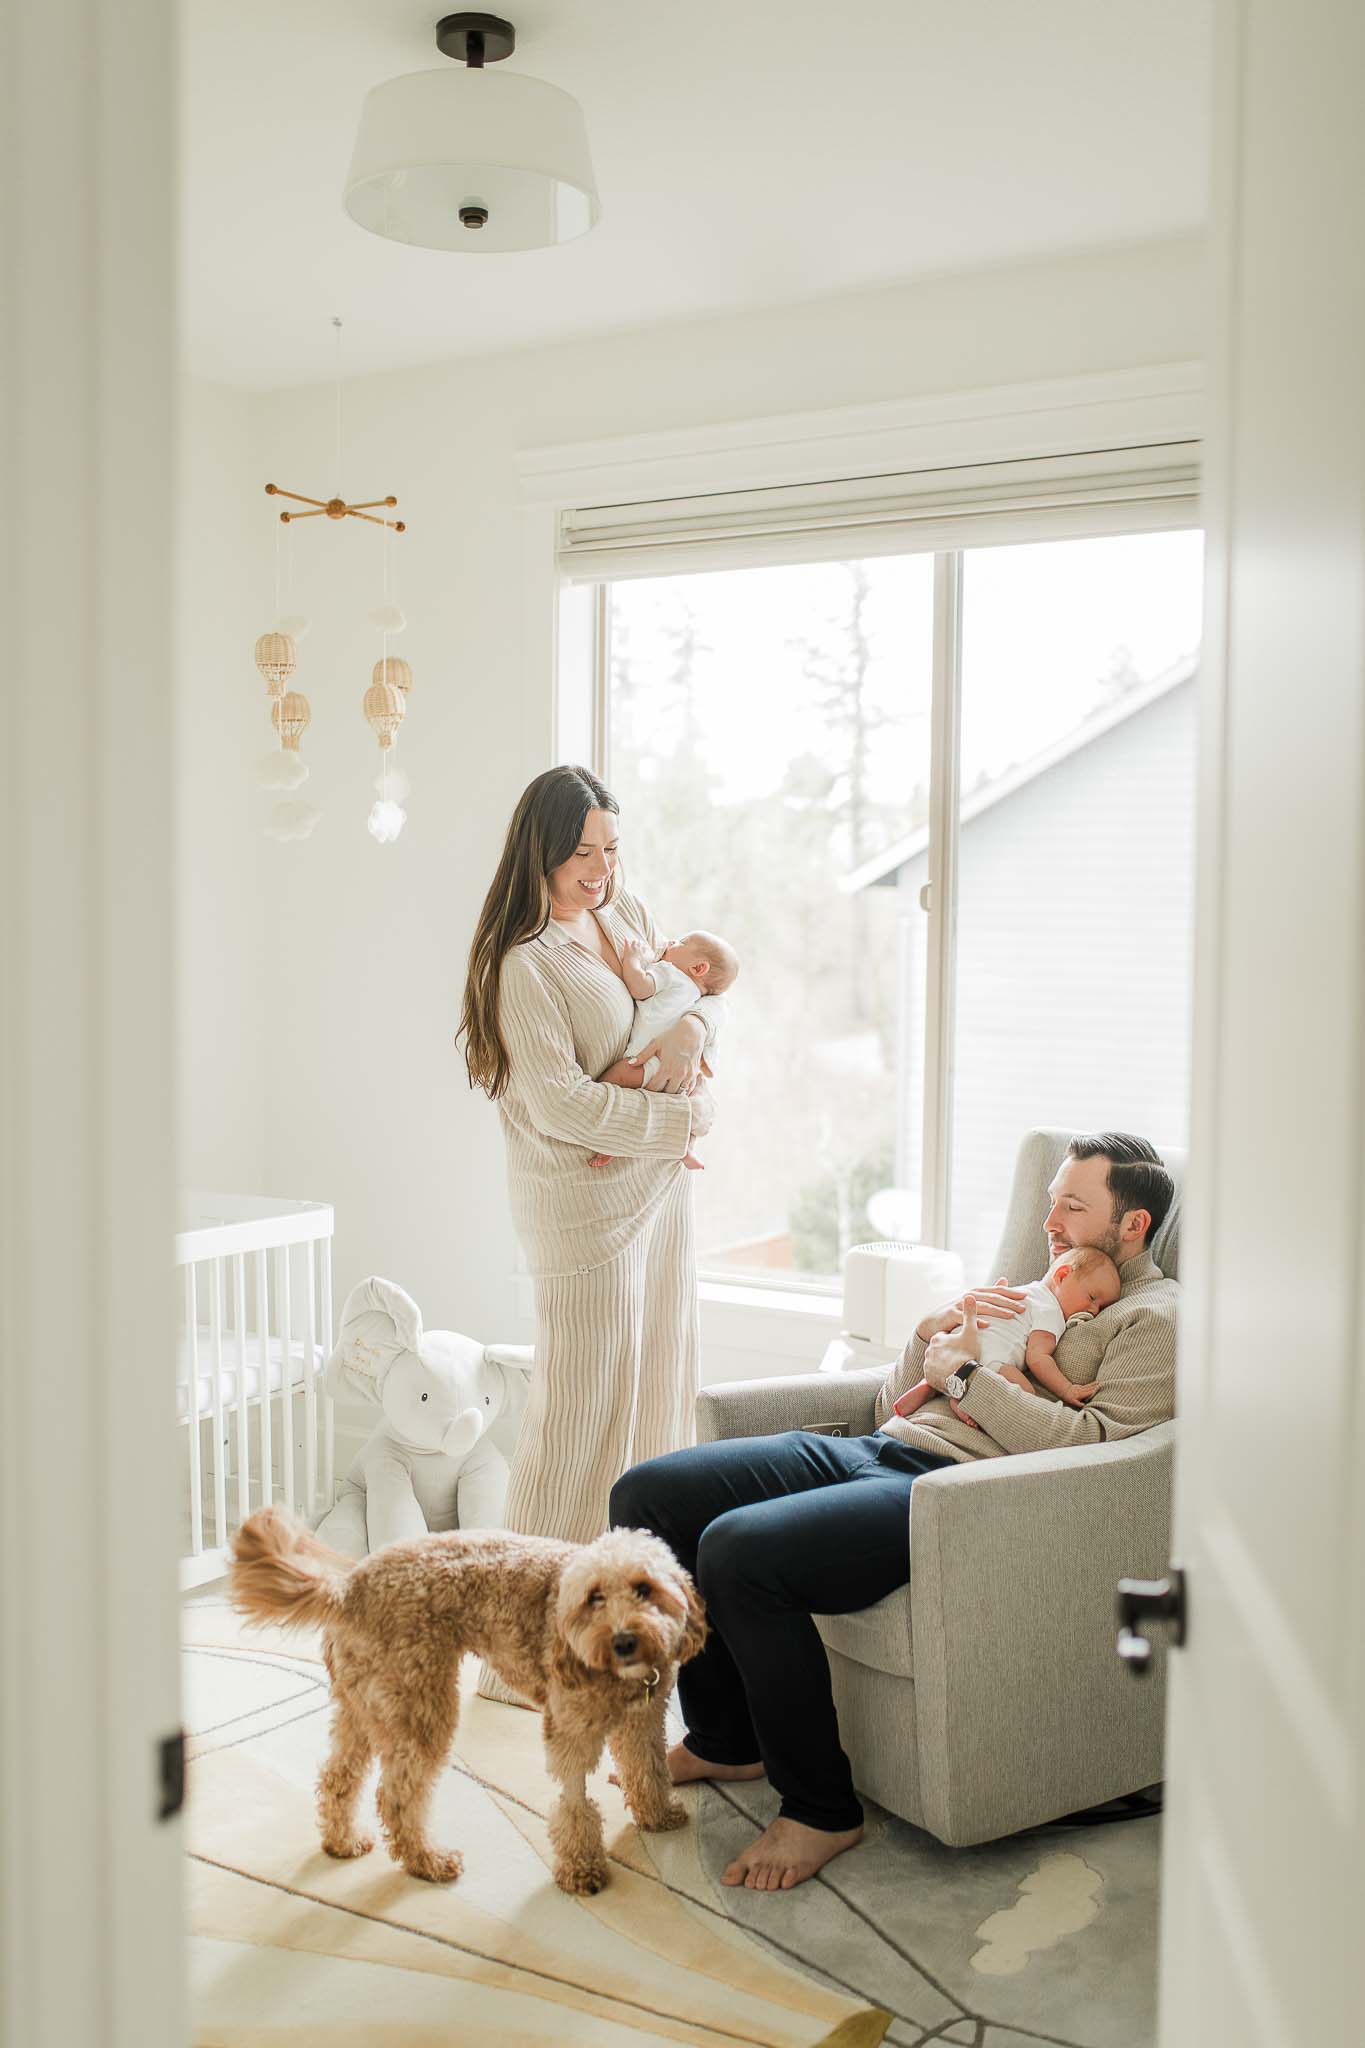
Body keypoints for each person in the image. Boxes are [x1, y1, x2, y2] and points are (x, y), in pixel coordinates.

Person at [608, 1132, 1178, 1891]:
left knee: (738, 1551)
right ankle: (725, 1738)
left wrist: (967, 1376)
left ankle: (820, 1810)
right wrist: (927, 1333)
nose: (1050, 1224)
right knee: (646, 1495)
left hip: (955, 1490)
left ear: (1132, 1224)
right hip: (882, 1448)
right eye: (1050, 1204)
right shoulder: (1031, 1289)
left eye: (1072, 1207)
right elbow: (890, 1403)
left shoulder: (1154, 1319)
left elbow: (1091, 1445)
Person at [458, 766, 725, 1702]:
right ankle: (520, 1653)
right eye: (582, 852)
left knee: (655, 1410)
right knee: (573, 1425)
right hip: (582, 1214)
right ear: (539, 849)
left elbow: (688, 1005)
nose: (601, 869)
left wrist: (692, 1043)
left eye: (611, 848)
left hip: (659, 1197)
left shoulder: (624, 916)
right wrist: (679, 1118)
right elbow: (561, 1107)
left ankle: (623, 1637)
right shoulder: (522, 964)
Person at [891, 1243, 1120, 1417]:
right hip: (991, 1358)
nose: (1094, 1310)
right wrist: (1067, 1389)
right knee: (1026, 1396)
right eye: (1092, 1297)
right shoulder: (1051, 1311)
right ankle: (963, 1401)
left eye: (1101, 1307)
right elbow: (1038, 1358)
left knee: (948, 1370)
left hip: (956, 1342)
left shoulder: (1026, 1291)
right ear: (1062, 1275)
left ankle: (930, 1385)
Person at [587, 928, 740, 1171]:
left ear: (698, 968)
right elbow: (709, 1054)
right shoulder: (699, 1000)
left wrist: (632, 960)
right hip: (682, 1074)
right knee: (687, 1108)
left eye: (681, 942)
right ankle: (687, 1147)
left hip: (646, 1060)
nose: (671, 942)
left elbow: (640, 987)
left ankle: (611, 1144)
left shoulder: (671, 974)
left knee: (610, 1083)